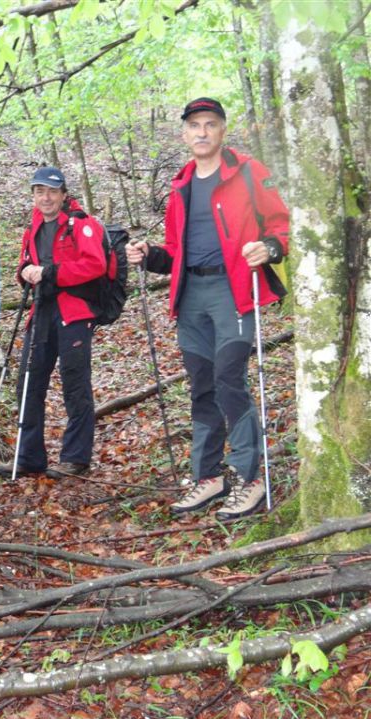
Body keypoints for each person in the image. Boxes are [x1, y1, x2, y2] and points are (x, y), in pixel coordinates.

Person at [127, 97, 289, 520]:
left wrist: (270, 247)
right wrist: (149, 255)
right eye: (194, 125)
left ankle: (250, 478)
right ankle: (209, 477)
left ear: (222, 130)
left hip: (234, 289)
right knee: (201, 385)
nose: (202, 132)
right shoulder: (180, 187)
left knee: (228, 379)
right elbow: (177, 251)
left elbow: (281, 224)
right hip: (191, 295)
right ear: (184, 133)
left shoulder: (250, 173)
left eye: (210, 124)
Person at [0, 167, 106, 480]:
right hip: (41, 310)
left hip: (75, 312)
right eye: (40, 191)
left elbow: (95, 264)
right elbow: (24, 264)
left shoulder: (80, 224)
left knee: (75, 383)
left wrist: (50, 272)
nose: (46, 197)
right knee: (28, 382)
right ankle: (29, 456)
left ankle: (75, 457)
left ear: (63, 194)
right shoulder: (33, 226)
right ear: (33, 195)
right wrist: (26, 272)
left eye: (52, 191)